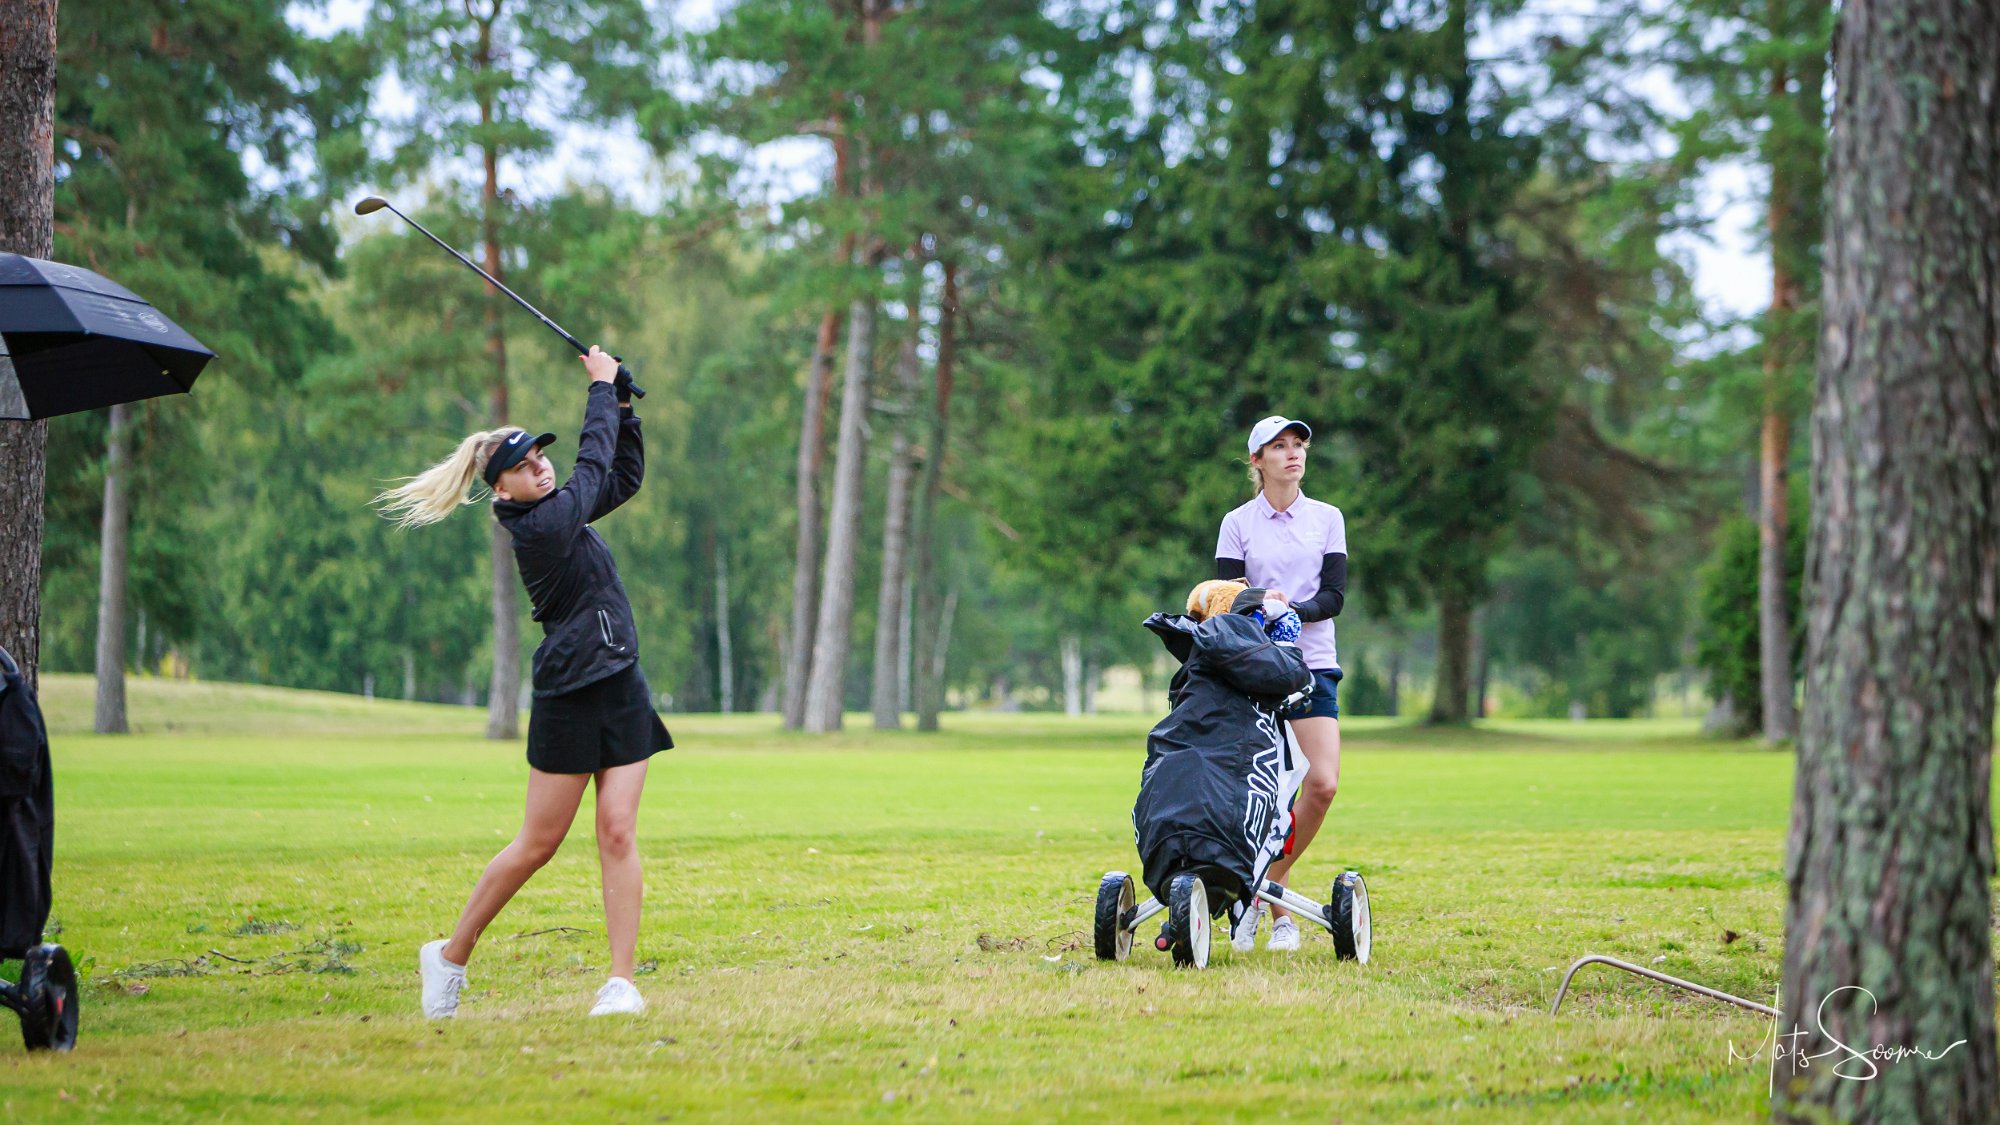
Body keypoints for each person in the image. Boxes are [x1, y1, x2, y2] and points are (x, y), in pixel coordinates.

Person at [376, 346, 670, 1018]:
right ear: (500, 490)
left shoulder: (561, 509)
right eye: (524, 464)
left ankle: (620, 982)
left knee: (618, 829)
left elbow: (618, 476)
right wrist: (598, 389)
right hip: (569, 693)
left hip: (621, 677)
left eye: (540, 455)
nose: (540, 464)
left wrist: (623, 405)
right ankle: (450, 954)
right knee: (539, 843)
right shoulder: (536, 528)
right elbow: (592, 467)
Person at [1214, 415, 1346, 953]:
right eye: (1279, 447)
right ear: (1257, 461)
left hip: (1312, 664)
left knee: (1321, 784)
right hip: (1254, 667)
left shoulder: (1327, 518)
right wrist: (1263, 610)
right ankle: (1277, 915)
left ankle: (1261, 886)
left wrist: (1295, 608)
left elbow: (1334, 596)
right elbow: (1223, 599)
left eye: (1299, 446)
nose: (1293, 454)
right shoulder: (1238, 522)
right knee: (1268, 792)